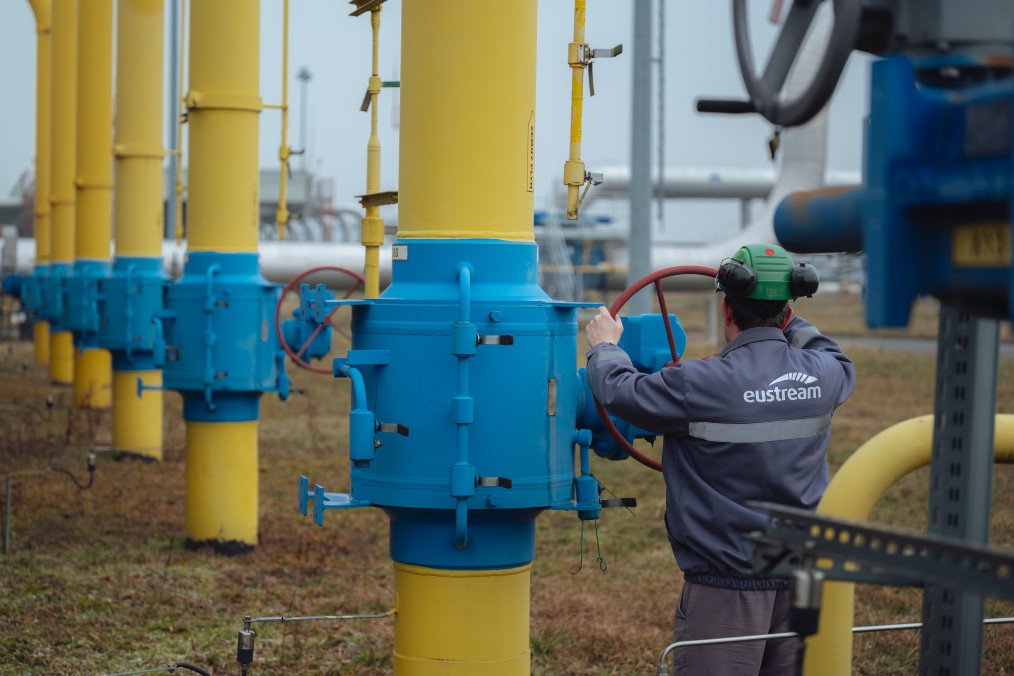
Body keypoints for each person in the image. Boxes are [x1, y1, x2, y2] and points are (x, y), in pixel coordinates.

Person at [584, 244, 855, 675]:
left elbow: (619, 390)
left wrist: (604, 347)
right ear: (787, 314)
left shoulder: (697, 382)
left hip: (727, 586)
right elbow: (835, 355)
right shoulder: (824, 375)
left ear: (727, 311)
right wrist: (786, 314)